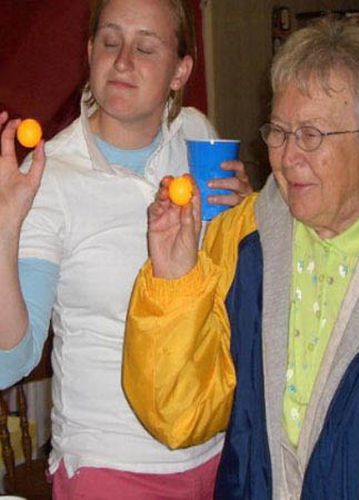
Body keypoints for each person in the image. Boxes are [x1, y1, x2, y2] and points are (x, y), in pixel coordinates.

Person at [124, 17, 359, 499]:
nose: (285, 157)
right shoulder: (244, 237)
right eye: (279, 132)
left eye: (312, 135)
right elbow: (178, 416)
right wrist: (174, 278)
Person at [0, 0, 251, 498]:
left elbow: (225, 292)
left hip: (218, 446)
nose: (123, 61)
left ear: (181, 71)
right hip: (111, 466)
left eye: (146, 47)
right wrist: (5, 230)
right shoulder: (52, 178)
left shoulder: (198, 138)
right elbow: (12, 361)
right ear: (90, 51)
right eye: (110, 42)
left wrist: (245, 219)